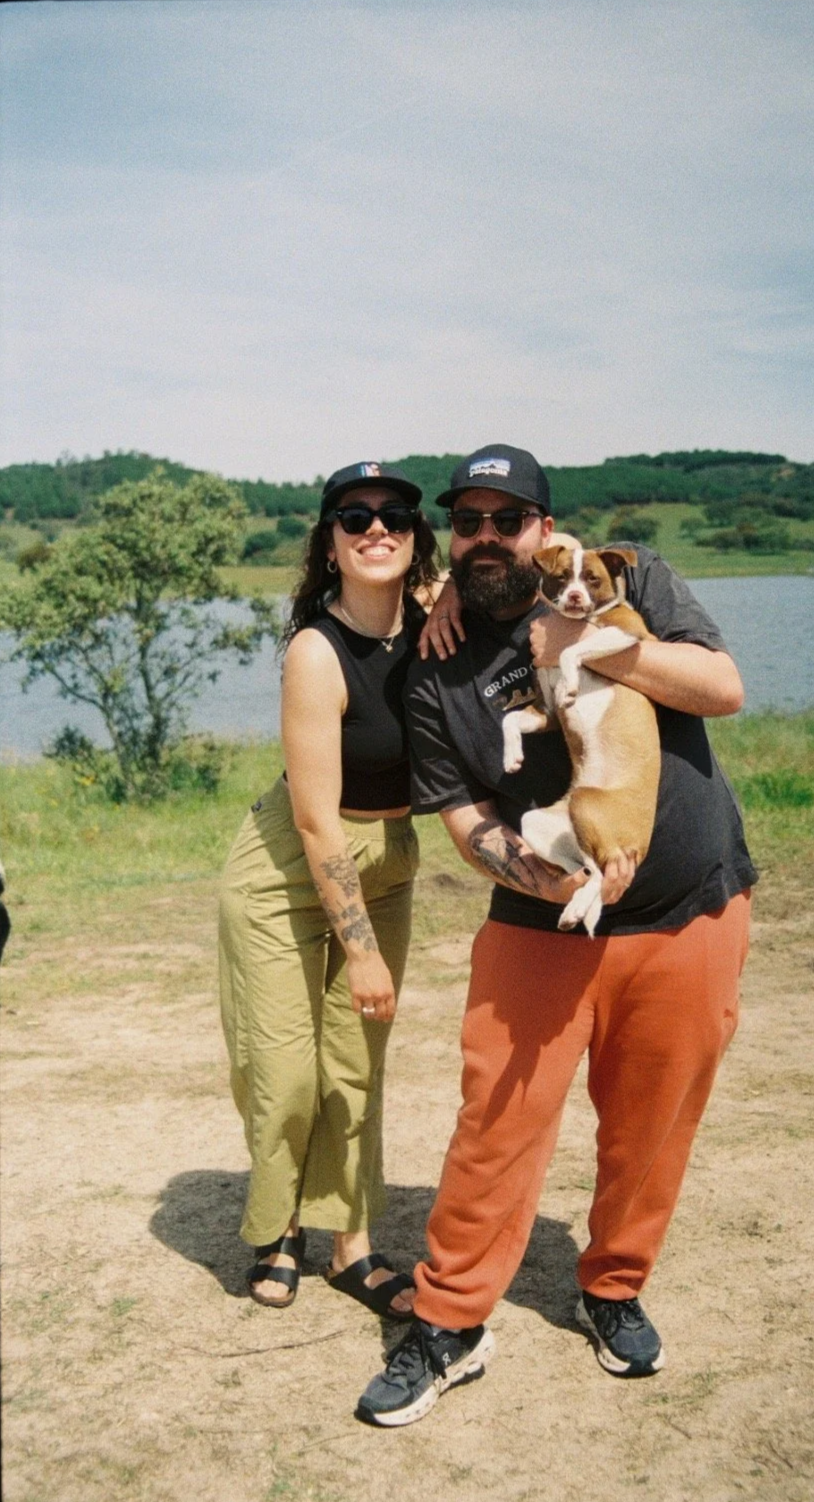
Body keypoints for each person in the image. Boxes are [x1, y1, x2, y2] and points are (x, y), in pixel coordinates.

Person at [357, 443, 757, 1425]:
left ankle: (613, 1285)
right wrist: (537, 872)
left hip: (689, 904)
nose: (486, 534)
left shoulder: (630, 579)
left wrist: (582, 638)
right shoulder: (433, 660)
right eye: (469, 521)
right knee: (495, 1122)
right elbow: (460, 813)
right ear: (454, 539)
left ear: (547, 529)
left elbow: (721, 686)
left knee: (650, 1121)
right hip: (540, 922)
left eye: (508, 517)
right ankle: (450, 1320)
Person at [218, 461, 445, 1315]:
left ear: (419, 536)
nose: (375, 528)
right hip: (288, 867)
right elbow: (316, 823)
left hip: (387, 860)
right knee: (286, 1071)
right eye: (355, 517)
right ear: (330, 543)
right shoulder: (316, 650)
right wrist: (361, 953)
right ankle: (278, 1226)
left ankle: (351, 1244)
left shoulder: (439, 627)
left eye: (396, 515)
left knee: (356, 1067)